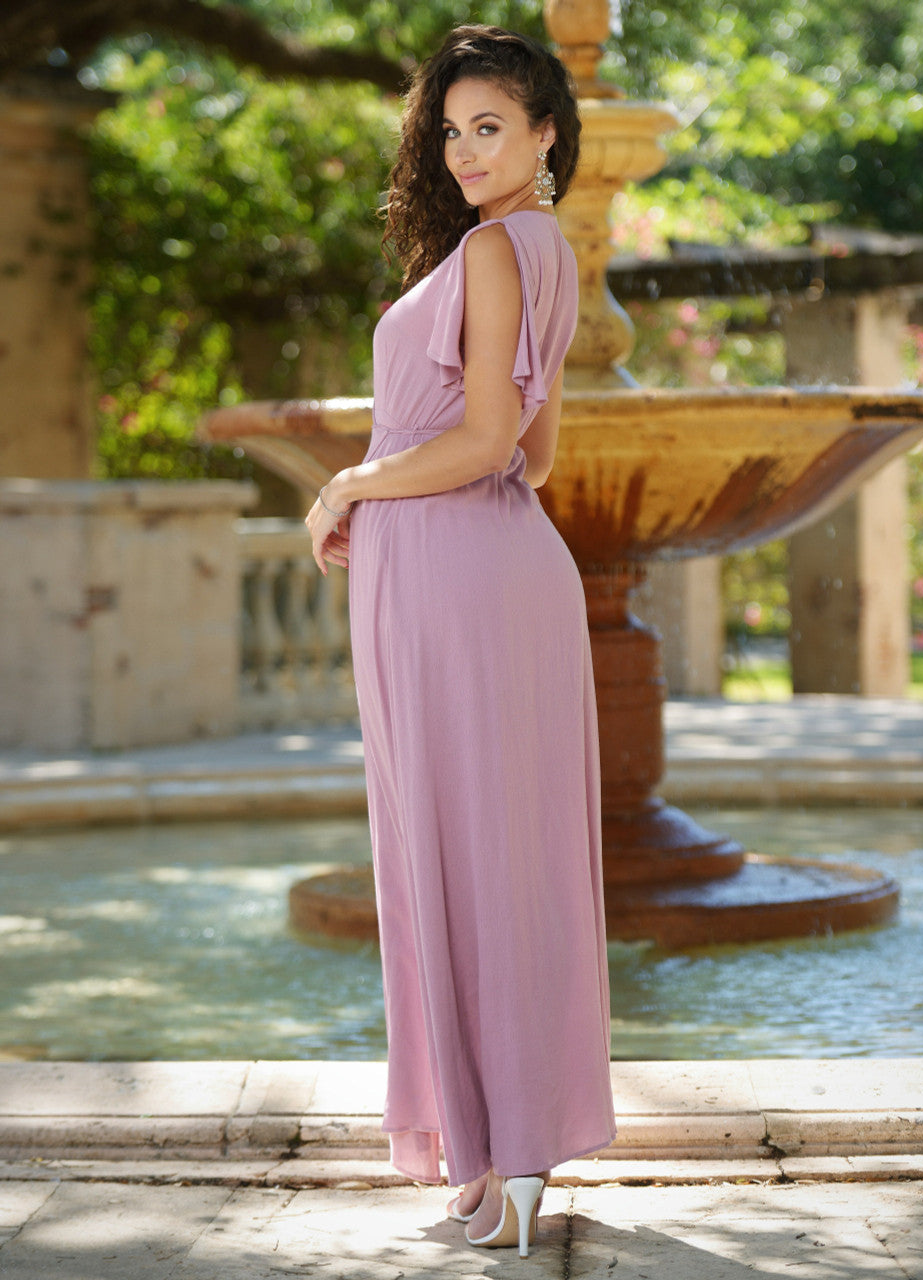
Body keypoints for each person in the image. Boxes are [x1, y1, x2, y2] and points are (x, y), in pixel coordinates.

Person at [306, 24, 615, 1258]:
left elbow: (486, 443)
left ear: (547, 133)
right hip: (500, 570)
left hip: (449, 577)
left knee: (457, 854)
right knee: (508, 857)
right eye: (450, 130)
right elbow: (534, 451)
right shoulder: (551, 255)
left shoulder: (494, 249)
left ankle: (499, 1156)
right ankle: (507, 1157)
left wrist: (351, 486)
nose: (465, 150)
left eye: (490, 126)